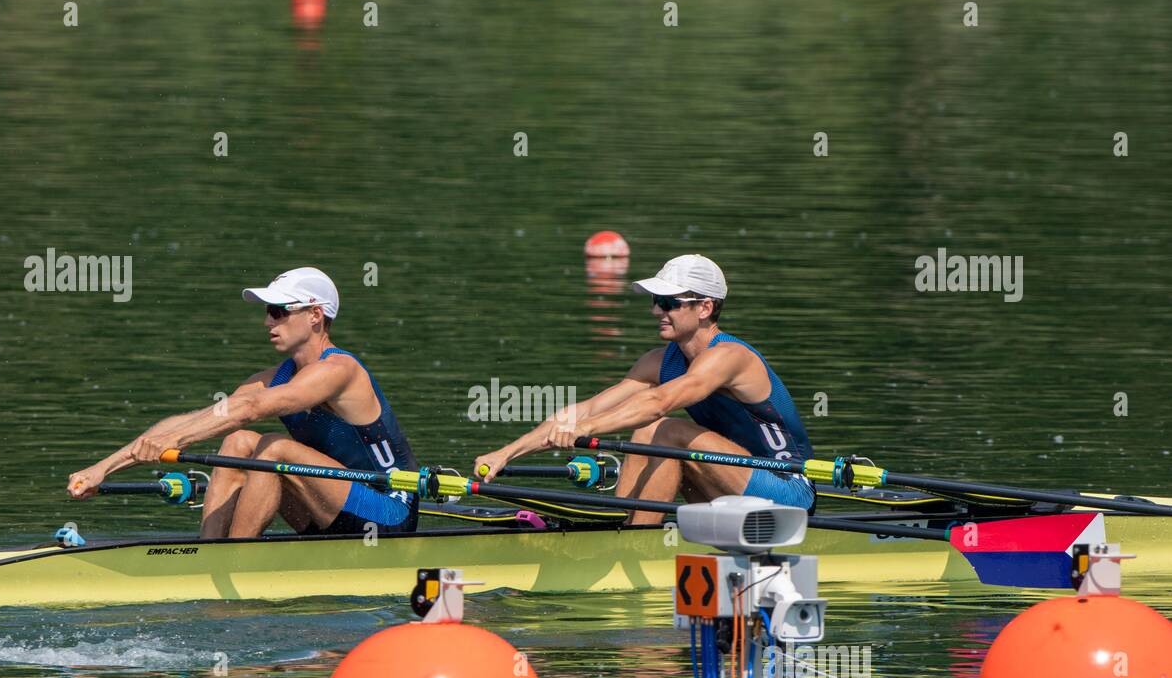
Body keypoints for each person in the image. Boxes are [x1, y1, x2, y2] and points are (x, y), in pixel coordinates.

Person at [67, 267, 418, 537]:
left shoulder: (340, 370)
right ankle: (209, 555)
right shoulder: (272, 377)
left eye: (280, 311)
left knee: (274, 447)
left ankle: (236, 561)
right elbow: (207, 416)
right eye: (268, 310)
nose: (268, 320)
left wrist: (174, 444)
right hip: (330, 510)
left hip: (387, 513)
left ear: (315, 315)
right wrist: (103, 467)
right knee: (236, 443)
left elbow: (251, 410)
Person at [473, 254, 814, 523]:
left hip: (787, 489)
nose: (655, 311)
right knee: (648, 430)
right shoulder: (659, 361)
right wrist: (507, 452)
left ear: (705, 308)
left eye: (668, 303)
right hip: (729, 483)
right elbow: (586, 410)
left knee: (661, 427)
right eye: (655, 300)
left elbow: (658, 402)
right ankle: (626, 525)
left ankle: (636, 541)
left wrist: (585, 430)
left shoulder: (729, 357)